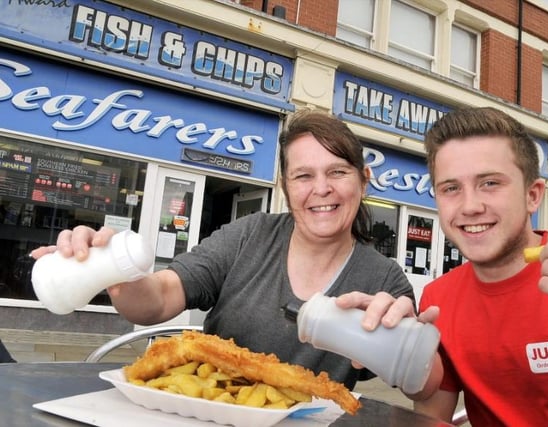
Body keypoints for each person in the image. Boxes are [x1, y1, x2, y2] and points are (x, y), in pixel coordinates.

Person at [31, 109, 415, 389]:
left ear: (363, 182)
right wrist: (114, 270)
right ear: (285, 186)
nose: (321, 189)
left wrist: (405, 345)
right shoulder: (250, 236)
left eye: (337, 172)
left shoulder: (383, 280)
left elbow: (419, 383)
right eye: (303, 175)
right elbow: (159, 299)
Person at [337, 106, 548, 425]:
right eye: (451, 188)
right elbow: (432, 416)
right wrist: (400, 351)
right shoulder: (440, 299)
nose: (470, 206)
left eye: (490, 183)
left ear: (533, 195)